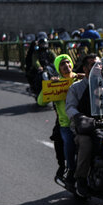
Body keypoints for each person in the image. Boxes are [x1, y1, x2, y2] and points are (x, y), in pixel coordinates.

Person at [66, 54, 103, 198]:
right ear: (85, 68)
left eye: (99, 64)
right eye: (93, 64)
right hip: (85, 127)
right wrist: (79, 117)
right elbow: (70, 107)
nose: (97, 67)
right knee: (86, 143)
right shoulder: (76, 87)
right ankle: (81, 179)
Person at [37, 54, 82, 183]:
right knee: (68, 142)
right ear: (58, 68)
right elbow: (41, 101)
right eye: (62, 64)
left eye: (68, 62)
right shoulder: (57, 83)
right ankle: (70, 169)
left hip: (84, 121)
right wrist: (50, 85)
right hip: (67, 124)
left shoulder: (80, 79)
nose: (66, 66)